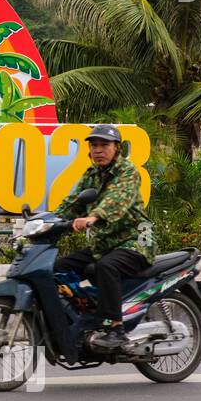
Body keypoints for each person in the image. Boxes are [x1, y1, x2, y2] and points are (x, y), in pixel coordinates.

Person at [54, 124, 155, 352]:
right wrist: (47, 221)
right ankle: (83, 317)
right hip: (106, 244)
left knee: (105, 267)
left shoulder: (128, 172)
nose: (98, 150)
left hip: (137, 240)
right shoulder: (91, 175)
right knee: (58, 267)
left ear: (117, 148)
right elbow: (72, 202)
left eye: (104, 145)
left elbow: (116, 201)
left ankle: (115, 328)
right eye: (94, 145)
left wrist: (93, 217)